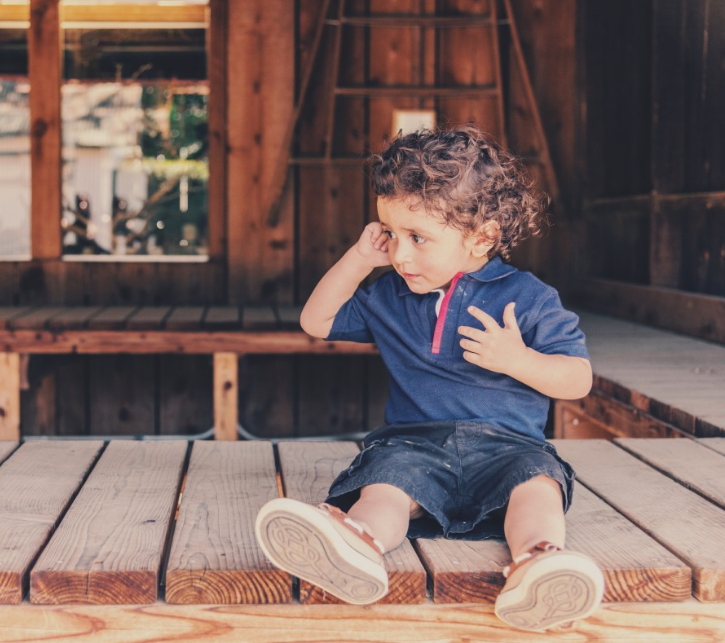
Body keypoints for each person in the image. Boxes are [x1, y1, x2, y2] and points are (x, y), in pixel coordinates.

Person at [255, 126, 604, 632]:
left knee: (538, 485)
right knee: (386, 486)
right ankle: (357, 545)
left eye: (417, 238)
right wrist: (358, 259)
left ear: (481, 237)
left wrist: (518, 359)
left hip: (509, 448)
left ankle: (538, 564)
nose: (399, 254)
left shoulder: (529, 297)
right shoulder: (391, 296)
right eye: (391, 234)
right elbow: (317, 321)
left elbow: (578, 380)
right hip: (414, 445)